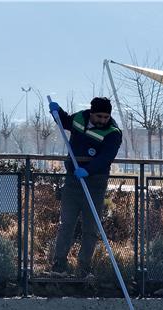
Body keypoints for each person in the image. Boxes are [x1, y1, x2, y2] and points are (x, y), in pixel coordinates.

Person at [48, 97, 123, 274]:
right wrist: (56, 112)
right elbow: (65, 122)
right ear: (91, 113)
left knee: (91, 225)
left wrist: (88, 170)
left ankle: (83, 267)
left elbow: (106, 158)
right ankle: (59, 265)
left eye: (106, 117)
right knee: (66, 223)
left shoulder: (113, 133)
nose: (102, 120)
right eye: (99, 116)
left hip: (96, 181)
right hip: (73, 180)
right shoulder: (80, 119)